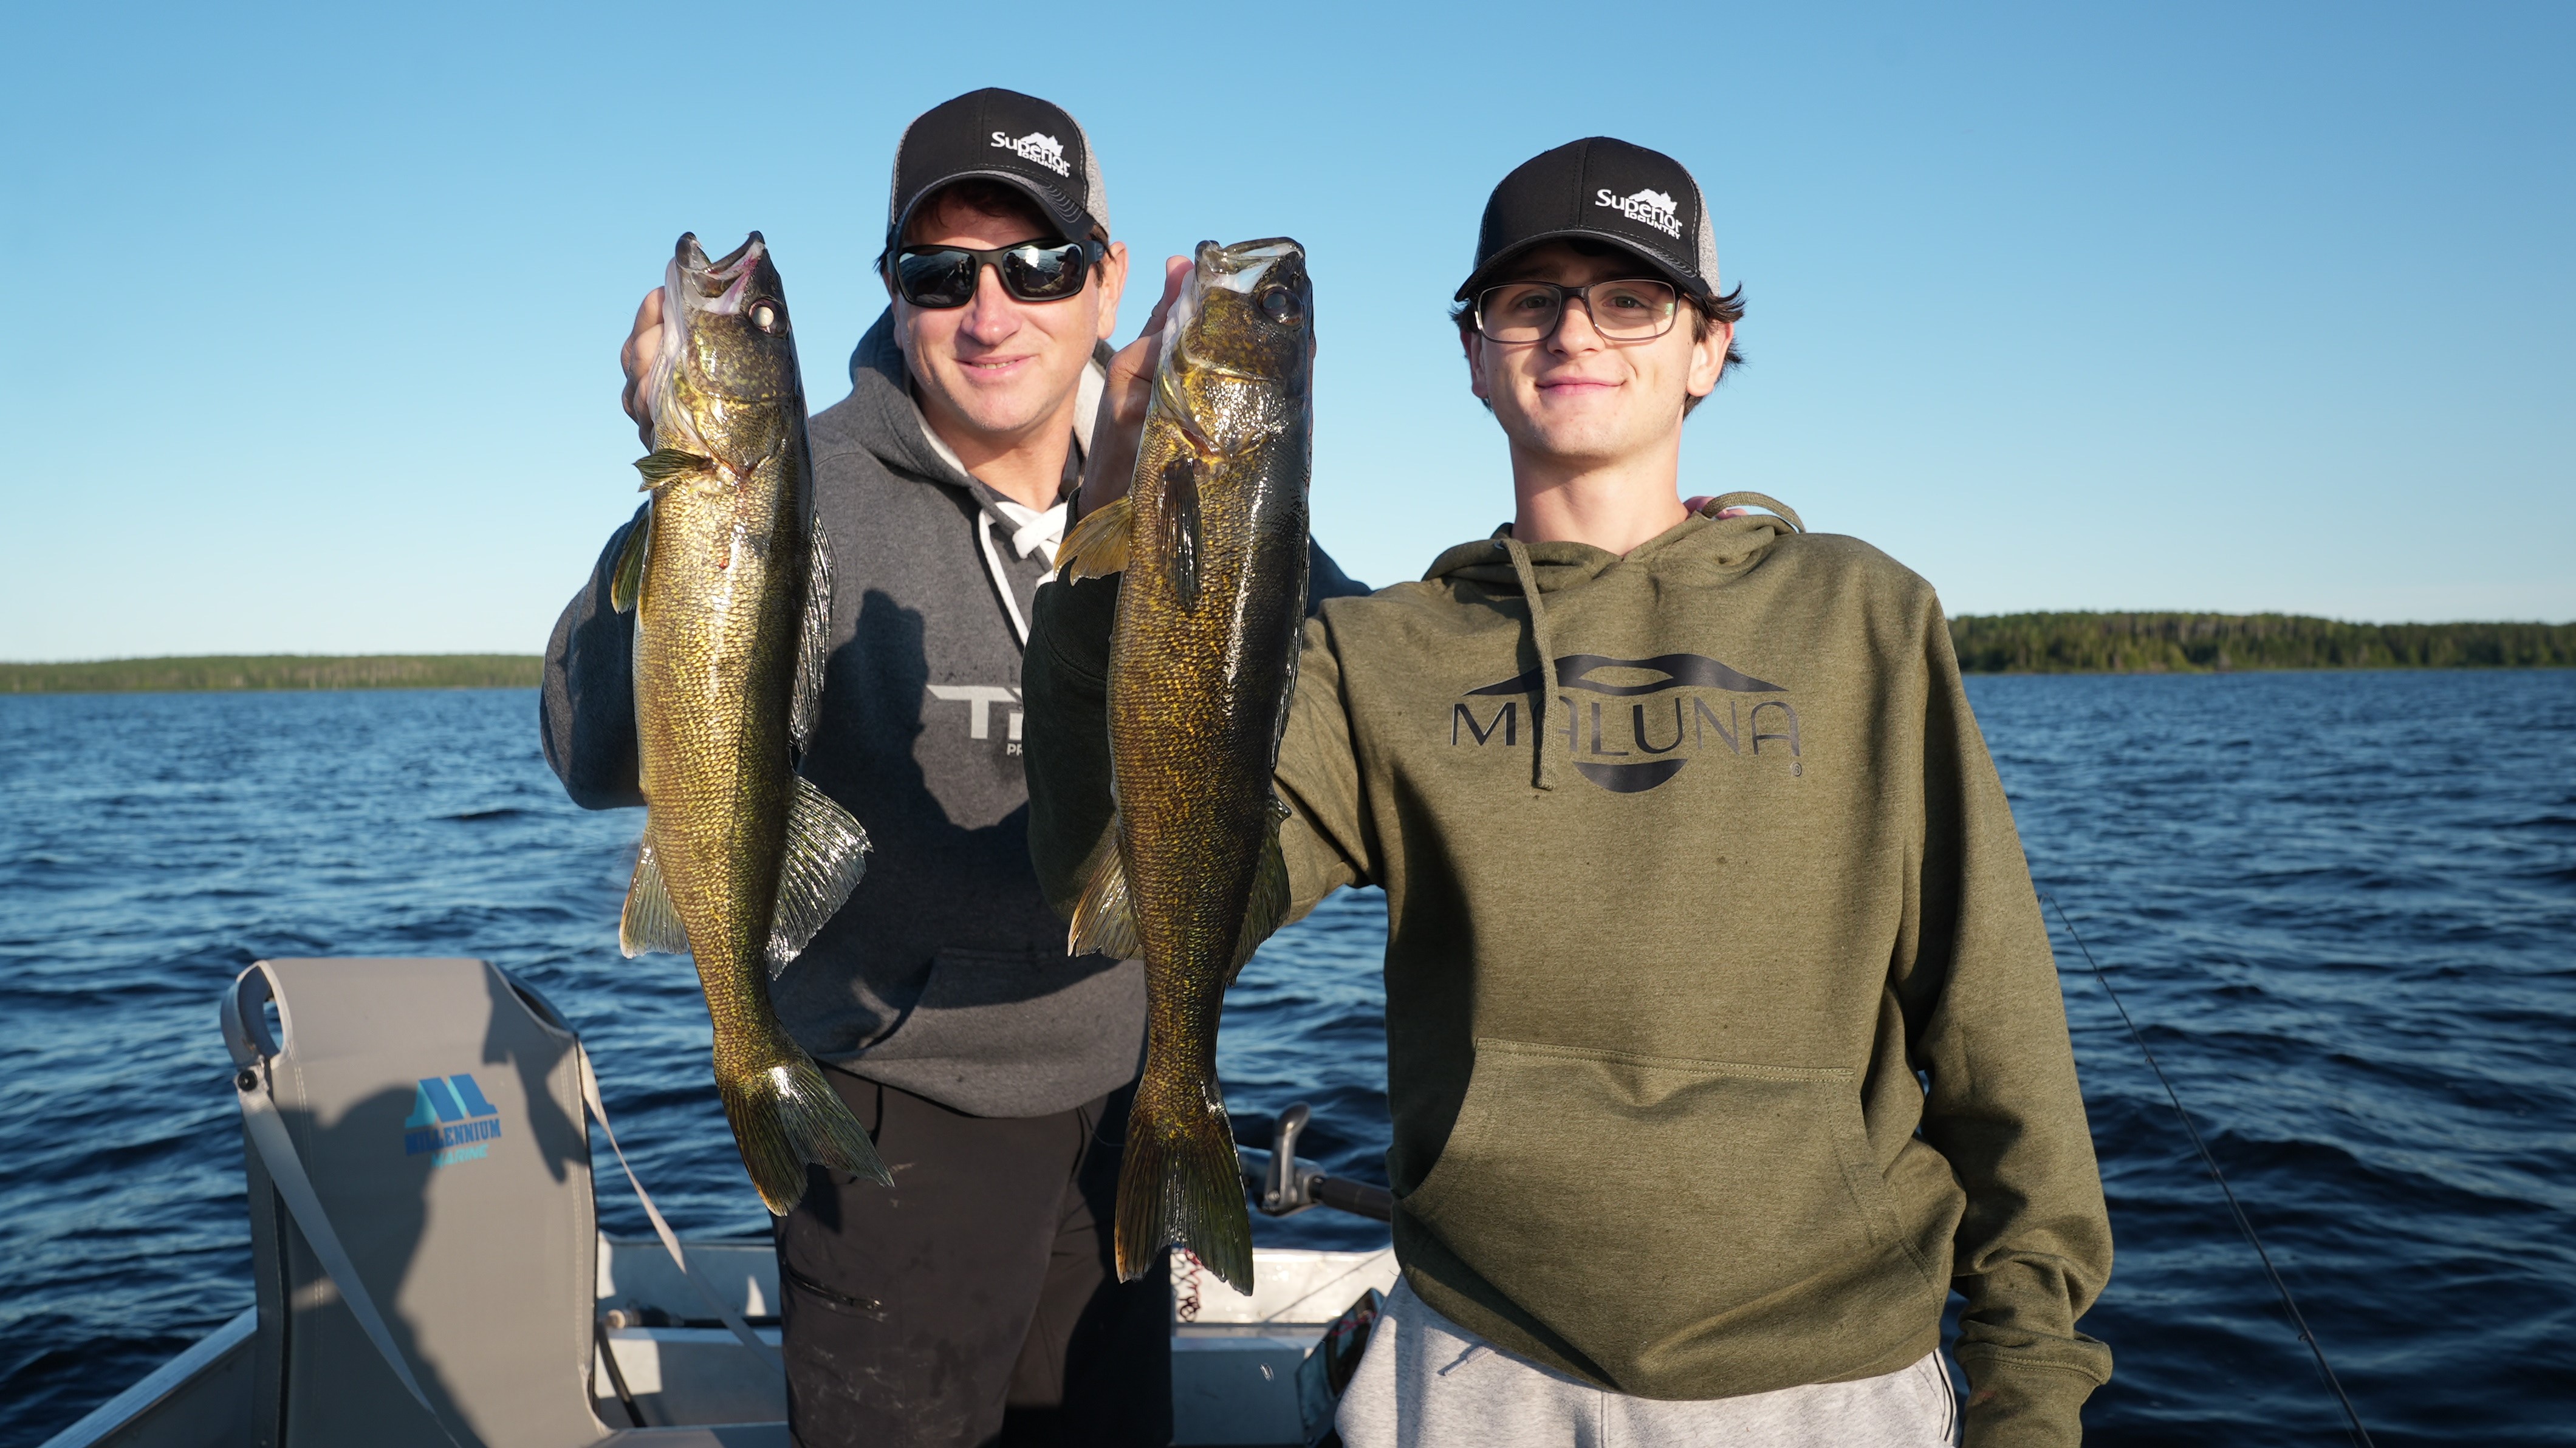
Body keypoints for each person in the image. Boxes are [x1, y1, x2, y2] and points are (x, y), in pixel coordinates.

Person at [1023, 137, 2113, 1447]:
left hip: (1833, 1382)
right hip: (1475, 1367)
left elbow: (1997, 1033)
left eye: (1629, 296)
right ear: (1475, 353)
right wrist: (1106, 526)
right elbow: (1124, 874)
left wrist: (2028, 1390)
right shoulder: (1378, 653)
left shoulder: (1863, 616)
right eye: (1527, 297)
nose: (1572, 330)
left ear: (1707, 348)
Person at [540, 87, 1366, 1447]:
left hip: (1122, 1089)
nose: (989, 312)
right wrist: (680, 493)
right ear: (893, 291)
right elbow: (589, 752)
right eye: (940, 273)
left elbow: (1370, 680)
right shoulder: (798, 490)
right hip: (898, 1110)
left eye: (1036, 265)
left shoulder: (1196, 501)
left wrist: (1607, 598)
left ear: (1108, 282)